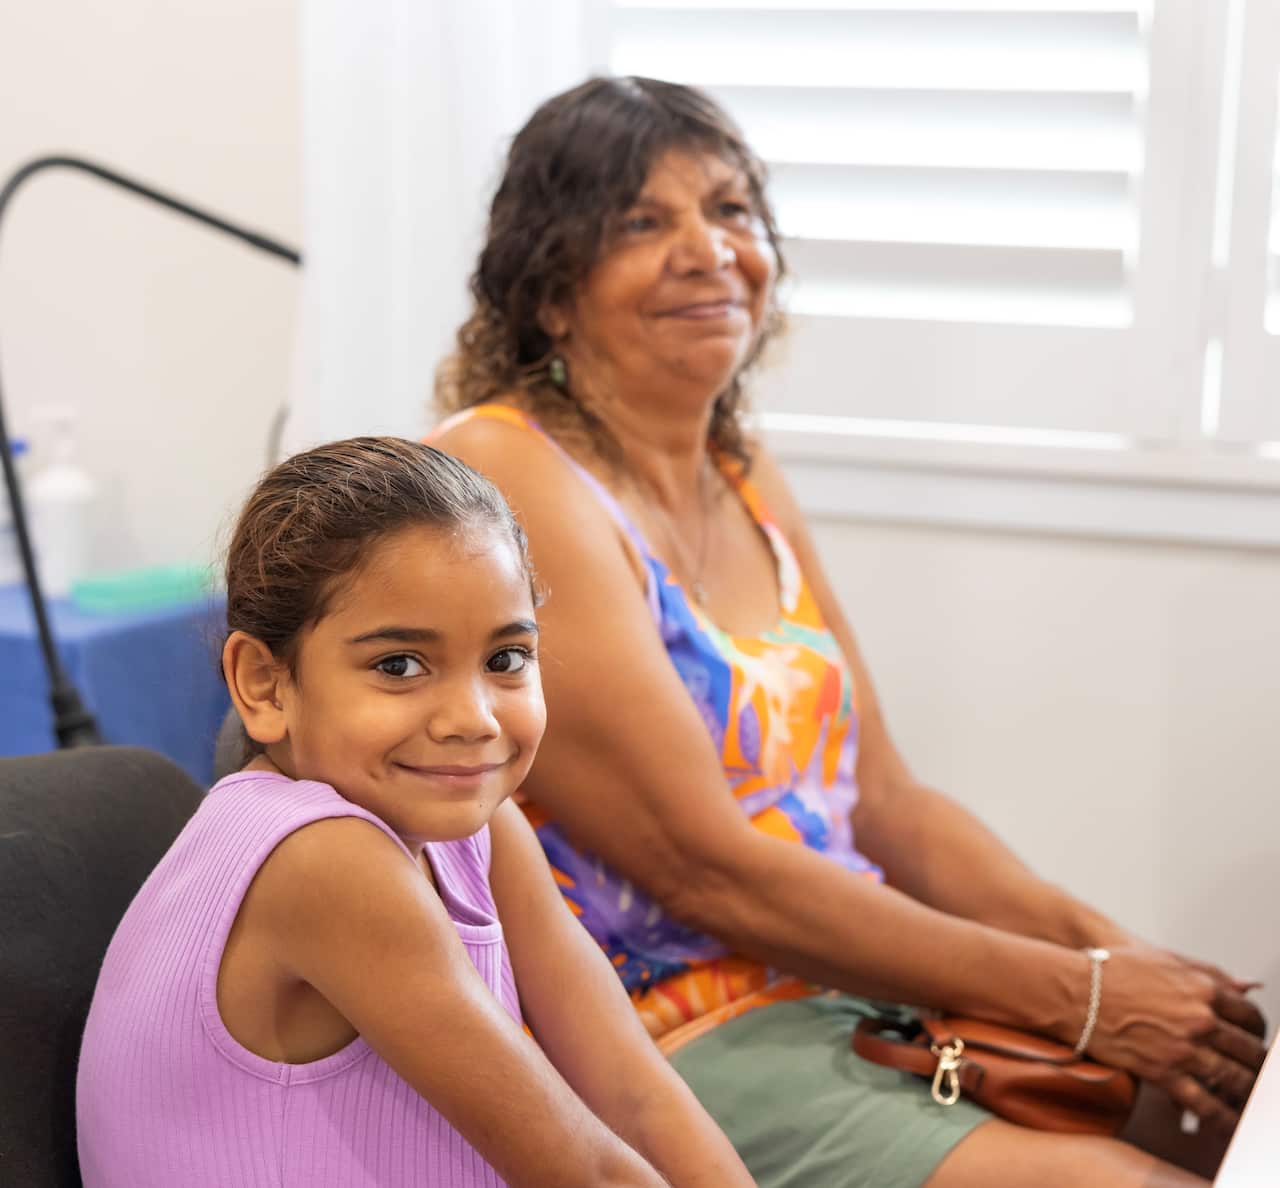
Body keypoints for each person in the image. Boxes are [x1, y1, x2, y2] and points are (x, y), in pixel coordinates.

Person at [430, 77, 1268, 1188]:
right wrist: (1082, 997)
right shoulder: (509, 472)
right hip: (665, 1038)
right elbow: (706, 874)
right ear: (548, 291)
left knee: (1230, 1111)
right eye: (641, 221)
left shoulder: (739, 471)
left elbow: (889, 811)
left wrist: (1122, 960)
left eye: (729, 211)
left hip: (836, 991)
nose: (706, 250)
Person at [76, 437, 755, 1188]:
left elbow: (634, 1094)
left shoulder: (482, 830)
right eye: (399, 666)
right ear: (266, 685)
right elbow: (587, 1172)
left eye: (505, 660)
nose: (472, 719)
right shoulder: (323, 861)